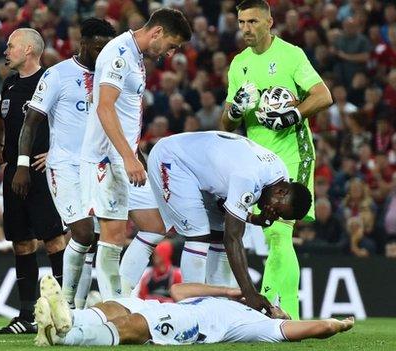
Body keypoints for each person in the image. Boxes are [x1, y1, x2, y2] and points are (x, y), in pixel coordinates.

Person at [220, 0, 333, 319]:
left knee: (279, 234)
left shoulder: (291, 55)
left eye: (252, 22)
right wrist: (236, 111)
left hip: (293, 154)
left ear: (269, 22)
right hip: (258, 162)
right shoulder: (238, 64)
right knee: (274, 235)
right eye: (241, 23)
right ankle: (286, 316)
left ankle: (275, 312)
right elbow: (225, 123)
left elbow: (323, 95)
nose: (246, 29)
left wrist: (294, 113)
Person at [79, 8, 192, 300]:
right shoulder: (119, 54)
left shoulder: (135, 56)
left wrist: (136, 154)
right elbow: (105, 107)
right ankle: (111, 308)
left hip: (125, 157)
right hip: (108, 159)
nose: (170, 53)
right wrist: (128, 158)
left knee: (155, 227)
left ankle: (122, 296)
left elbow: (125, 113)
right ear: (157, 33)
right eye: (171, 45)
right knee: (113, 235)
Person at [11, 18, 116, 309]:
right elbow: (31, 122)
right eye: (97, 48)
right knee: (81, 232)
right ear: (83, 44)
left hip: (99, 168)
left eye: (108, 48)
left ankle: (78, 311)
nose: (102, 54)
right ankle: (68, 305)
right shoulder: (57, 75)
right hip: (65, 166)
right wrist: (22, 164)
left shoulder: (112, 77)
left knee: (92, 240)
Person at [146, 131, 312, 313]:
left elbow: (227, 207)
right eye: (278, 210)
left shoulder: (279, 174)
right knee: (199, 234)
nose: (274, 213)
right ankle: (191, 309)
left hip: (199, 170)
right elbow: (233, 239)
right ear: (282, 193)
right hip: (173, 159)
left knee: (218, 231)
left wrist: (255, 218)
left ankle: (219, 309)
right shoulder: (249, 178)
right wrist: (250, 293)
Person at [34, 275, 354, 346]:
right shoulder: (236, 302)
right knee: (118, 304)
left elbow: (305, 329)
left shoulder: (259, 325)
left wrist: (336, 325)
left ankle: (67, 337)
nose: (278, 309)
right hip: (176, 305)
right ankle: (68, 320)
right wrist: (232, 290)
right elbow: (179, 290)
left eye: (282, 311)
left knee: (137, 322)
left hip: (191, 322)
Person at [0, 28, 65, 334]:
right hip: (12, 172)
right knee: (21, 241)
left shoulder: (51, 80)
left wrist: (54, 153)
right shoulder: (9, 83)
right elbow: (0, 117)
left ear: (28, 51)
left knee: (53, 238)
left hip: (40, 171)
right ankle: (26, 316)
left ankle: (66, 309)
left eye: (11, 46)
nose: (5, 50)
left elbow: (70, 121)